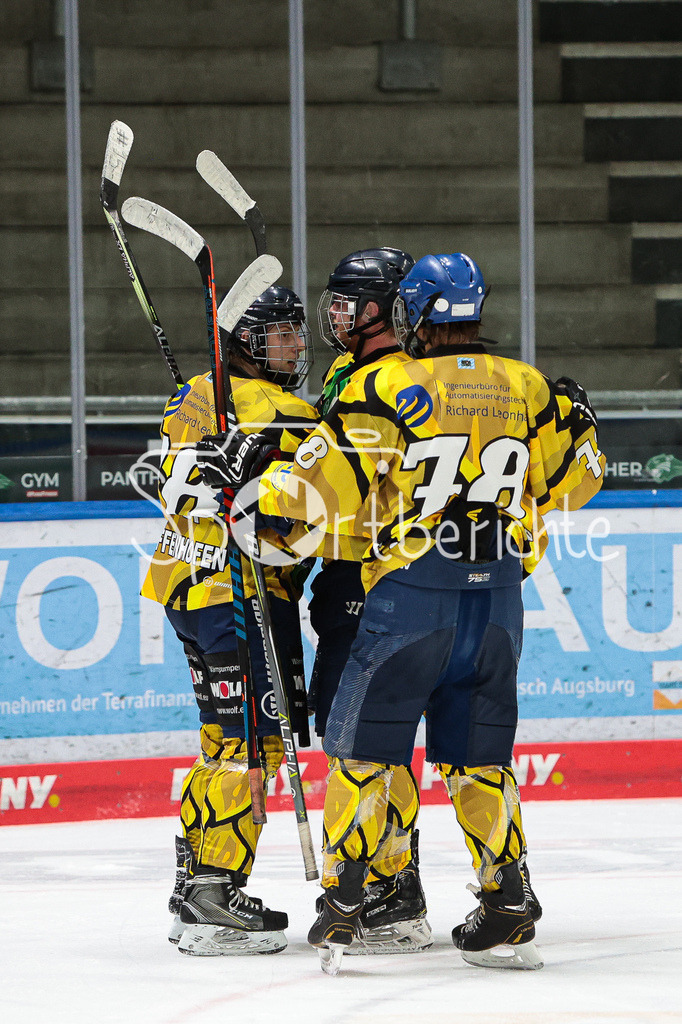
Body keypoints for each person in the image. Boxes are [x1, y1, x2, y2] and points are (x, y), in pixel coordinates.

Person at [195, 252, 605, 974]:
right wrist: (580, 423)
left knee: (363, 750)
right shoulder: (530, 386)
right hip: (501, 603)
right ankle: (507, 900)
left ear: (413, 315)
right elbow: (577, 483)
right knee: (482, 763)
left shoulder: (388, 385)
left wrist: (249, 497)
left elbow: (319, 496)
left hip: (412, 599)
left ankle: (347, 903)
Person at [140, 285, 316, 955]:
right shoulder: (254, 406)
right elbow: (173, 484)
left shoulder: (206, 396)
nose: (297, 344)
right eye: (282, 333)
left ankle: (201, 885)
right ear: (245, 338)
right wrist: (231, 484)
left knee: (230, 744)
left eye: (299, 331)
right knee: (244, 748)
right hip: (233, 594)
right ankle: (209, 894)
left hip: (194, 583)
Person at [309, 247, 432, 955]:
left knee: (370, 741)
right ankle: (387, 880)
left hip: (378, 577)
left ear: (388, 307)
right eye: (336, 301)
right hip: (345, 575)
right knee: (353, 736)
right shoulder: (348, 374)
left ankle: (392, 883)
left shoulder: (396, 381)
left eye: (351, 303)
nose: (337, 314)